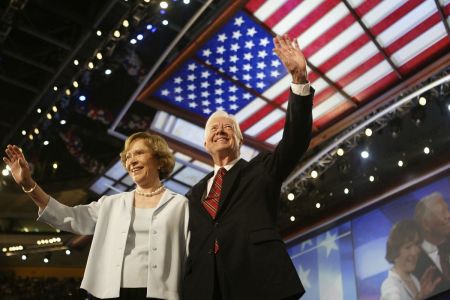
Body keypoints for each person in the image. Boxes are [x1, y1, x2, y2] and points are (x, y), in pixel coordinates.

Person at [182, 34, 312, 300]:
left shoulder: (262, 168)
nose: (220, 130)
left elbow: (296, 139)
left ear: (239, 140)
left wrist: (299, 79)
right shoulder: (191, 197)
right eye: (214, 129)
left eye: (228, 127)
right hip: (206, 291)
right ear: (206, 143)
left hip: (260, 284)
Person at [3, 132, 189, 300]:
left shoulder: (180, 204)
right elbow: (67, 217)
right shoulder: (111, 204)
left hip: (163, 294)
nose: (131, 160)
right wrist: (28, 184)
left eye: (139, 153)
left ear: (160, 160)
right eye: (128, 156)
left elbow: (192, 253)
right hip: (112, 293)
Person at [380, 219, 441, 300]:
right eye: (408, 247)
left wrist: (424, 296)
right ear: (394, 252)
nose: (415, 252)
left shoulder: (413, 279)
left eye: (416, 245)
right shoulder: (390, 286)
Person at [414, 192, 450, 296]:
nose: (449, 215)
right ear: (426, 224)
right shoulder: (413, 262)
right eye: (443, 212)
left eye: (447, 210)